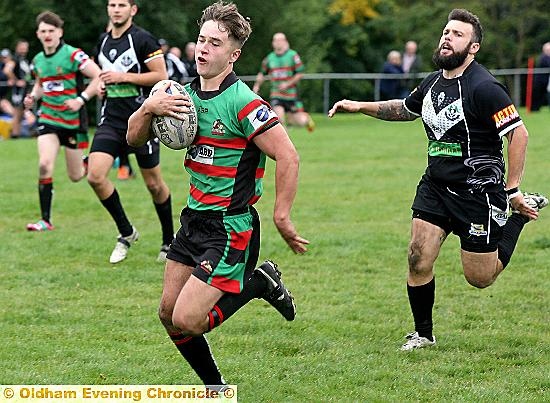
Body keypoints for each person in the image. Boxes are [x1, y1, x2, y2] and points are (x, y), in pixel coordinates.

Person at [328, 8, 548, 351]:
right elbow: (404, 109)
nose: (448, 37)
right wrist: (359, 106)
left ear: (473, 47)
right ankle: (424, 334)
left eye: (458, 34)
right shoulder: (432, 82)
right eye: (447, 32)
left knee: (480, 278)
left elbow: (518, 134)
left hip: (478, 192)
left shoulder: (485, 87)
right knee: (418, 257)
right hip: (436, 186)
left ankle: (516, 217)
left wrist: (512, 190)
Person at [127, 1, 309, 385]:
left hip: (230, 227)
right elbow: (133, 138)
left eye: (214, 43)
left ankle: (259, 282)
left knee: (188, 319)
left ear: (233, 54)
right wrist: (148, 109)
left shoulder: (244, 103)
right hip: (193, 219)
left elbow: (288, 155)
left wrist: (282, 215)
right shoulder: (181, 98)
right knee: (167, 313)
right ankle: (215, 388)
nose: (203, 49)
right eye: (201, 40)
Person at [89, 0, 174, 264]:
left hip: (142, 122)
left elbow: (161, 75)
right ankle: (126, 232)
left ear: (132, 10)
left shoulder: (143, 39)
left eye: (122, 5)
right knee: (95, 176)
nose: (116, 9)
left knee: (153, 185)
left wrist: (123, 78)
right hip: (111, 121)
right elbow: (100, 77)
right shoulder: (102, 42)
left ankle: (169, 241)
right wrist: (101, 87)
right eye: (112, 4)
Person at [24, 11, 101, 232]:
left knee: (76, 176)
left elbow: (98, 76)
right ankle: (45, 220)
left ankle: (87, 162)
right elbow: (41, 85)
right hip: (48, 118)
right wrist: (32, 97)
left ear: (60, 32)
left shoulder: (73, 55)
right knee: (44, 164)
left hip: (73, 122)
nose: (47, 34)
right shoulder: (37, 60)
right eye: (43, 31)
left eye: (51, 30)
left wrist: (81, 99)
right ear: (38, 34)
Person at [252, 32, 315, 132]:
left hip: (291, 95)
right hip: (276, 94)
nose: (277, 43)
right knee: (279, 119)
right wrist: (256, 86)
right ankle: (284, 145)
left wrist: (287, 84)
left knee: (299, 121)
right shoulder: (269, 58)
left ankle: (307, 119)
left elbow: (300, 73)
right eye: (275, 40)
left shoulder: (292, 55)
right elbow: (262, 73)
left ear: (285, 42)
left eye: (280, 40)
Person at [5, 39, 33, 138]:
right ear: (17, 47)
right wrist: (16, 80)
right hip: (18, 91)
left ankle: (17, 134)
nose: (24, 49)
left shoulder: (24, 60)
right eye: (22, 47)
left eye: (26, 47)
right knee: (17, 112)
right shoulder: (15, 58)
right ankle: (14, 134)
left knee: (21, 112)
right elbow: (7, 70)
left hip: (25, 89)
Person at [531, 42, 550, 111]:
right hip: (540, 81)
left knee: (542, 96)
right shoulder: (544, 57)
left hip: (545, 80)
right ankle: (534, 109)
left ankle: (537, 108)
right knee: (537, 96)